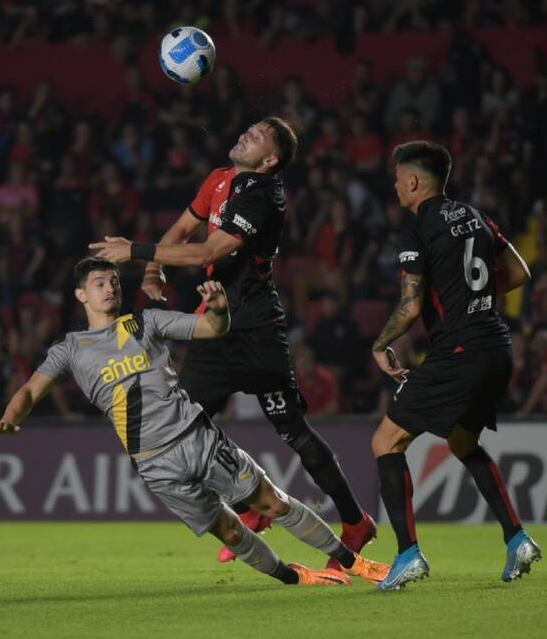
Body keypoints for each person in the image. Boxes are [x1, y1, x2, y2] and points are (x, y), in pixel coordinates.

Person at [0, 257, 389, 587]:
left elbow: (212, 328)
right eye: (98, 283)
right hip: (154, 464)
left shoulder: (145, 322)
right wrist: (10, 417)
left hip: (195, 436)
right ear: (80, 294)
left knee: (272, 501)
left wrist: (219, 309)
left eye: (113, 281)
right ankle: (294, 577)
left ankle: (351, 561)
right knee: (231, 533)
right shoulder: (70, 350)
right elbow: (29, 391)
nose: (109, 288)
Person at [90, 117, 375, 567]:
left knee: (292, 430)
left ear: (270, 159)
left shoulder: (264, 195)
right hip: (214, 322)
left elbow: (207, 251)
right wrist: (152, 269)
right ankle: (248, 508)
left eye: (258, 135)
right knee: (185, 423)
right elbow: (183, 229)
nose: (245, 133)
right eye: (250, 128)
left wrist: (136, 251)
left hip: (257, 326)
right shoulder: (218, 180)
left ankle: (355, 522)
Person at [369, 141, 541, 590]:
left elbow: (409, 308)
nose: (394, 185)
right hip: (496, 347)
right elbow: (520, 273)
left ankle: (408, 554)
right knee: (463, 442)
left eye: (396, 178)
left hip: (459, 351)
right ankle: (517, 537)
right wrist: (471, 295)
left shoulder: (418, 228)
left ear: (412, 181)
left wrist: (380, 343)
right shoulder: (474, 215)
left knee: (386, 441)